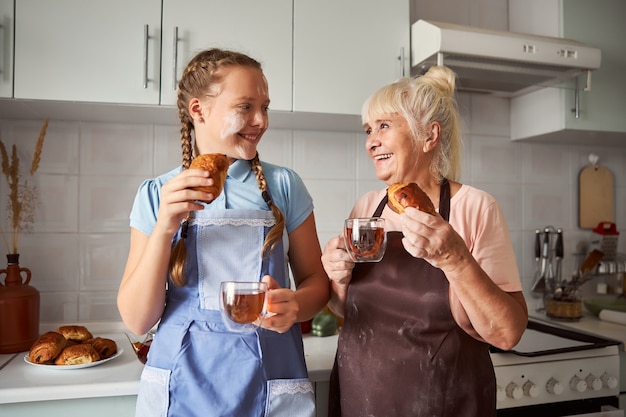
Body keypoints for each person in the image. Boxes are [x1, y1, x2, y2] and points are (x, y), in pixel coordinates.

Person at [117, 48, 330, 417]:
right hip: (183, 385)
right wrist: (167, 225)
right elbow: (138, 320)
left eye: (265, 106)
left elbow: (317, 283)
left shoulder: (284, 185)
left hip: (269, 379)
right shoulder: (157, 194)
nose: (260, 120)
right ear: (198, 110)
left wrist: (295, 305)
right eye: (245, 106)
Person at [321, 66, 528, 417]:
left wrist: (455, 259)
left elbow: (507, 334)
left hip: (445, 402)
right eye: (368, 129)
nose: (371, 141)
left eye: (384, 126)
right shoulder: (368, 208)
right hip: (362, 399)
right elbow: (347, 311)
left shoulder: (474, 207)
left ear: (429, 136)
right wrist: (338, 280)